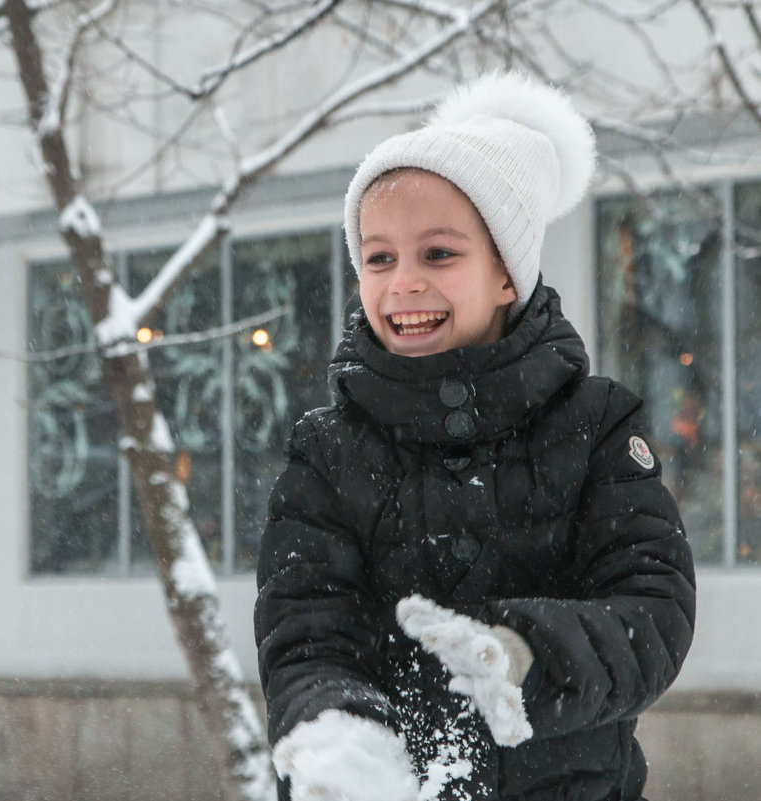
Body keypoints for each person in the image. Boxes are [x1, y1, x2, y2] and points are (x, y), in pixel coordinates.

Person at [254, 72, 696, 801]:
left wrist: (526, 653)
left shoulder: (595, 426)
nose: (402, 282)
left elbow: (652, 608)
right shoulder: (328, 452)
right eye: (379, 256)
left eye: (438, 254)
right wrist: (337, 732)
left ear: (505, 274)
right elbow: (305, 632)